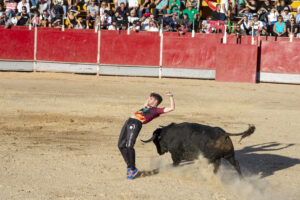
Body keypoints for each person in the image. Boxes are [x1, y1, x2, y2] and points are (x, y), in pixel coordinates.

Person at [118, 92, 175, 179]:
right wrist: (150, 96)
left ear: (156, 101)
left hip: (136, 123)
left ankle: (132, 169)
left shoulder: (156, 110)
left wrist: (171, 97)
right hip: (128, 121)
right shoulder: (146, 107)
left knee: (130, 146)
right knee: (121, 145)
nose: (149, 99)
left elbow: (171, 108)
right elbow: (147, 102)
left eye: (151, 99)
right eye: (149, 98)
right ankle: (130, 167)